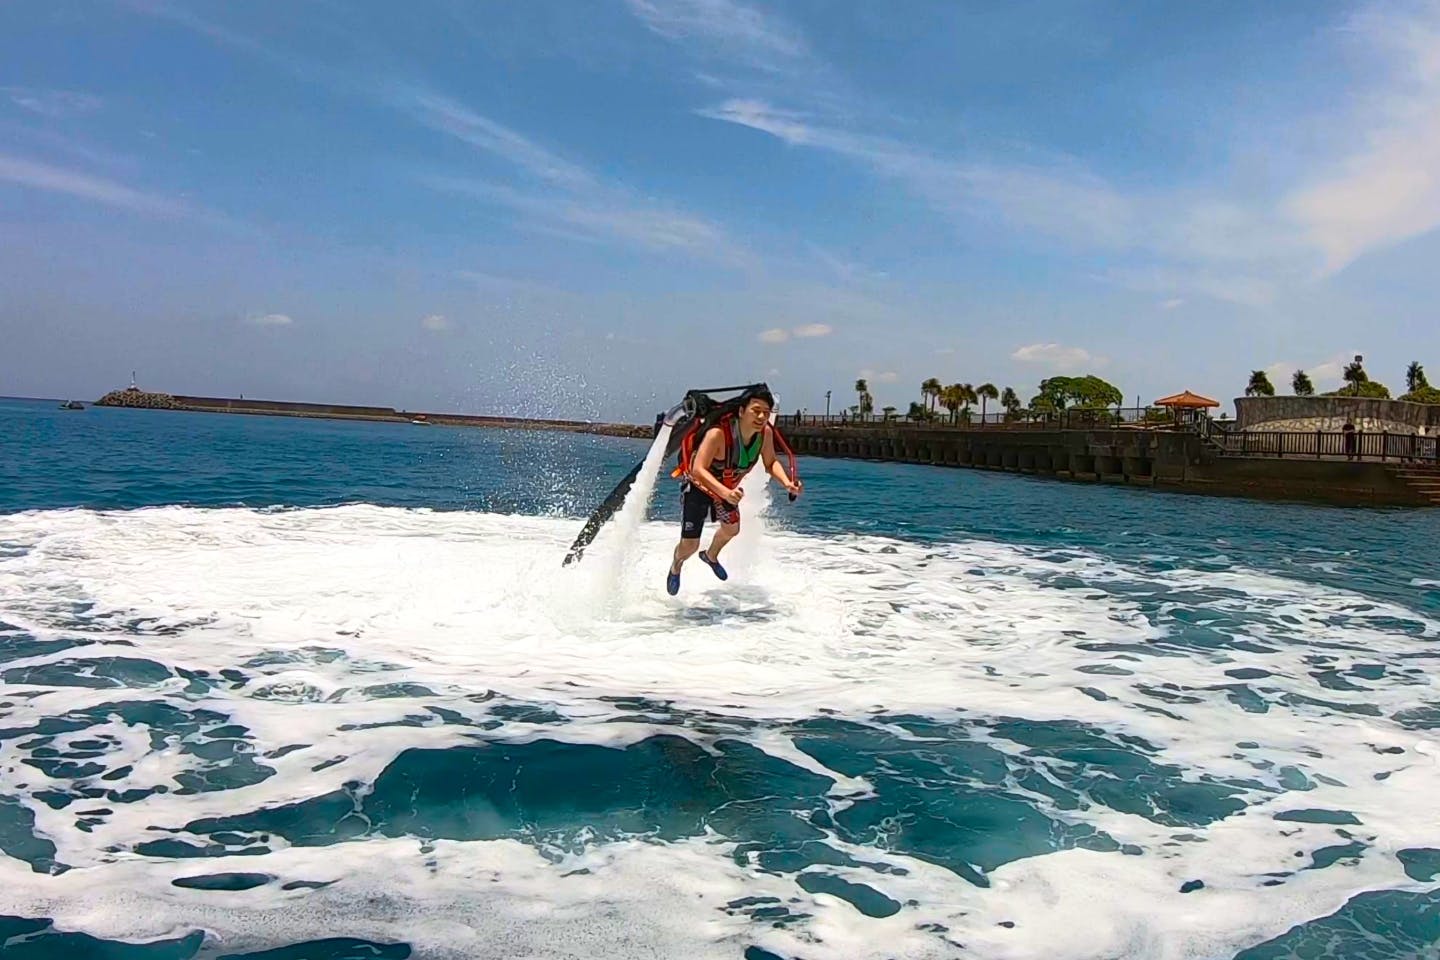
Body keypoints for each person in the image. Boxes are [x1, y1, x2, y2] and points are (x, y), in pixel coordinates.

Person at [667, 387, 801, 595]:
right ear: (741, 411)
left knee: (731, 530)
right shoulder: (718, 434)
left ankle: (710, 556)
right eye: (756, 410)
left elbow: (771, 461)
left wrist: (787, 483)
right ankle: (676, 565)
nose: (761, 416)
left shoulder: (764, 434)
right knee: (689, 546)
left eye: (766, 412)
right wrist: (725, 493)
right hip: (699, 488)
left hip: (726, 490)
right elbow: (698, 469)